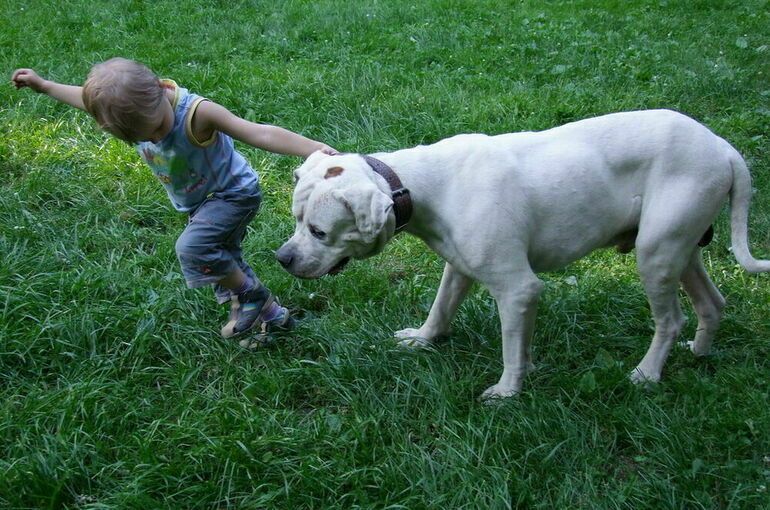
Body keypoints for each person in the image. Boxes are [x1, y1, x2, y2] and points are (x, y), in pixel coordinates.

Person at [12, 57, 337, 342]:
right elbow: (84, 100)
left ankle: (250, 294)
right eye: (143, 138)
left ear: (160, 88)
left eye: (157, 128)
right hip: (201, 202)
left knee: (193, 248)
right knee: (223, 260)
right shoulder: (135, 111)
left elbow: (257, 132)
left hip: (232, 194)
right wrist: (44, 85)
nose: (155, 138)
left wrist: (316, 149)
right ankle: (274, 317)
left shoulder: (197, 113)